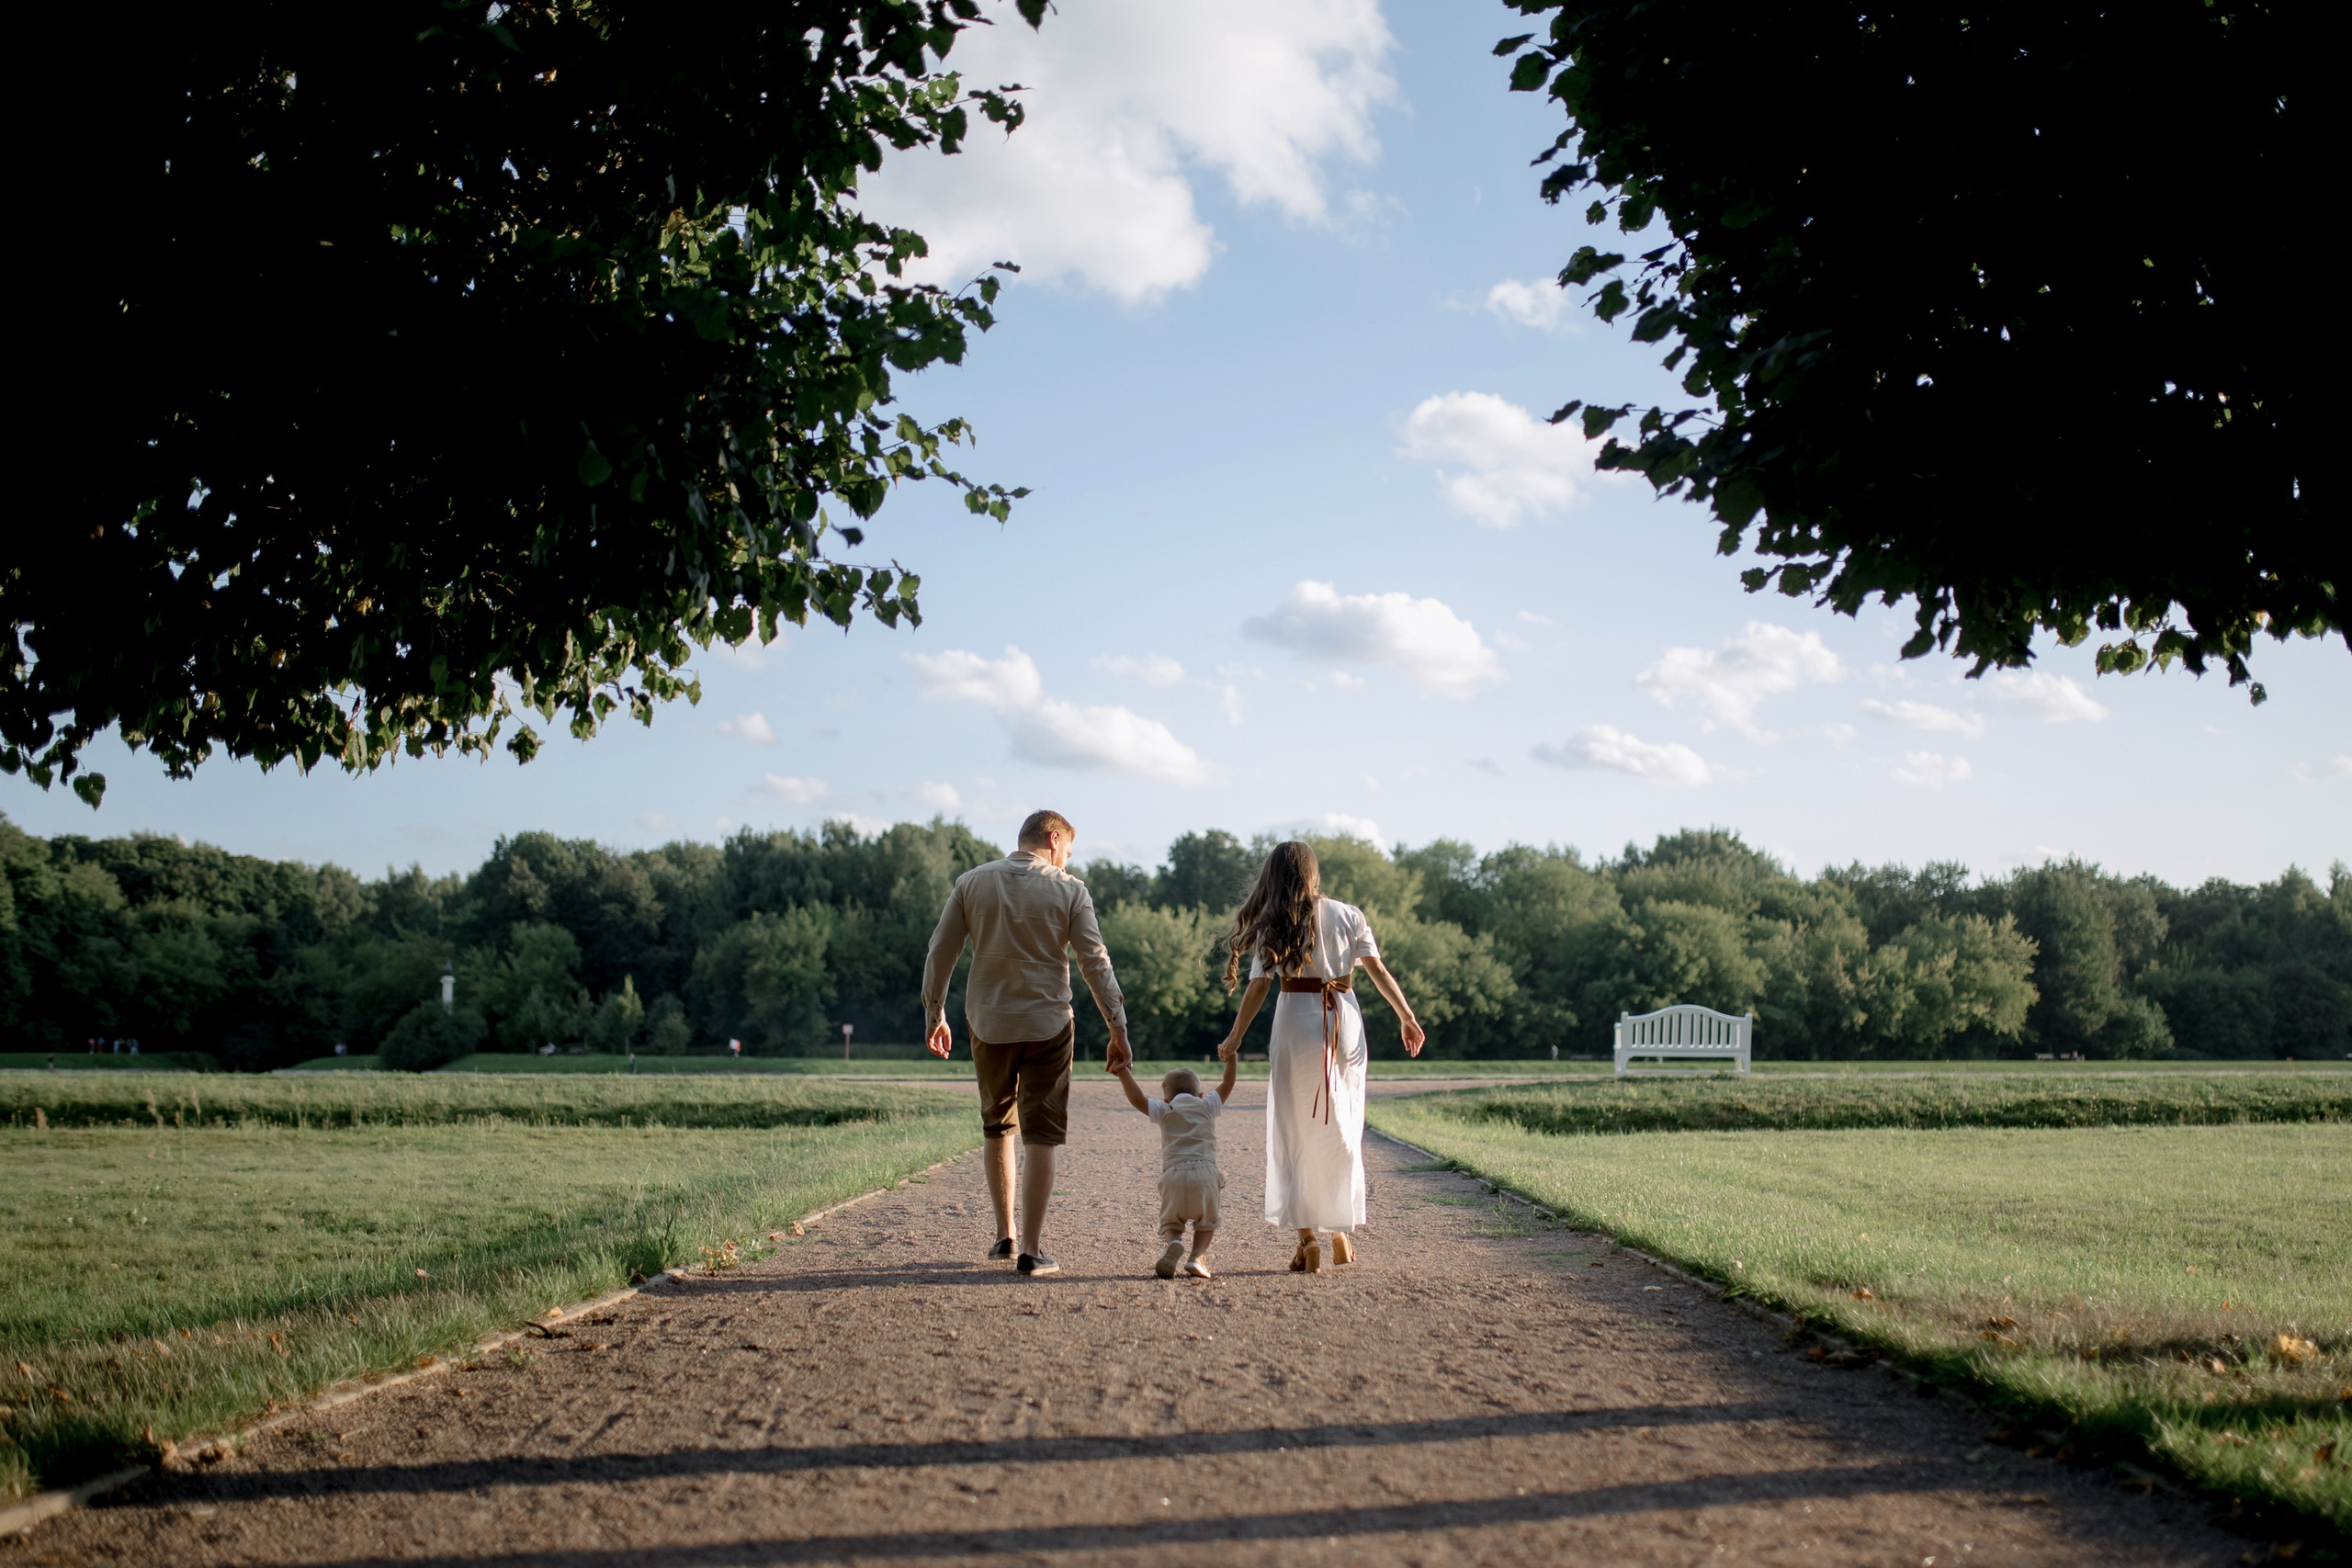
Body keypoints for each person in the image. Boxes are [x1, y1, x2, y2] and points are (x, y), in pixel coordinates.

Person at [923, 809, 1131, 1277]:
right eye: (1068, 852)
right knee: (1041, 1136)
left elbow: (941, 951)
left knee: (998, 1125)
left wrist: (934, 1011)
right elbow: (1095, 963)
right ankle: (1032, 1251)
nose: (1066, 861)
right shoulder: (1070, 890)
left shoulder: (970, 883)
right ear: (1054, 838)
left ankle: (1004, 1236)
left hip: (988, 1023)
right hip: (1048, 1026)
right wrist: (1117, 1028)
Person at [1218, 840, 1423, 1273]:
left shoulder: (1275, 919)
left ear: (1274, 875)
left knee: (1295, 1128)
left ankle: (1307, 1239)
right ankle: (1339, 1232)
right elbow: (1378, 971)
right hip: (1343, 1020)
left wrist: (1235, 1037)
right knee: (1342, 1123)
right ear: (1313, 872)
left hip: (1296, 1020)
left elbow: (1258, 987)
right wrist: (1406, 1016)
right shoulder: (1350, 914)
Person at [1112, 1045, 1238, 1280]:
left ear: (1166, 1097)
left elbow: (1137, 1099)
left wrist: (1123, 1072)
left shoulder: (1165, 1108)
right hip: (1205, 1173)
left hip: (1174, 1175)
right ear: (1199, 1095)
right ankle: (1197, 1257)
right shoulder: (1207, 1105)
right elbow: (1227, 1084)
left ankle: (1174, 1242)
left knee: (1171, 1220)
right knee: (1207, 1222)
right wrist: (1231, 1058)